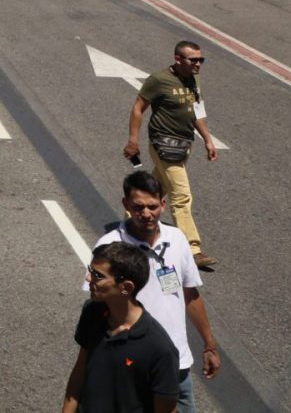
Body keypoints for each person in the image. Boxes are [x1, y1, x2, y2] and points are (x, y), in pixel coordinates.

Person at [92, 171, 220, 412]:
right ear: (125, 204)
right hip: (130, 362)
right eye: (138, 207)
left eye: (152, 206)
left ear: (163, 204)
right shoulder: (110, 247)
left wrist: (209, 344)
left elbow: (190, 296)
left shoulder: (177, 239)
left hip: (175, 361)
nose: (146, 214)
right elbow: (96, 302)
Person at [124, 41, 220, 269]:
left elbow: (197, 111)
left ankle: (131, 216)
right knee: (181, 195)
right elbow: (138, 107)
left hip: (183, 145)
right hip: (163, 144)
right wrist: (133, 140)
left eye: (200, 60)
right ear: (178, 59)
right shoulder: (159, 80)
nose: (198, 64)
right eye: (193, 60)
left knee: (155, 188)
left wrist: (207, 139)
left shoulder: (193, 79)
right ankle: (193, 249)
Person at [62, 242, 181, 413]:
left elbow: (166, 410)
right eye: (91, 270)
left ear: (126, 288)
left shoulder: (160, 349)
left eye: (98, 275)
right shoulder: (92, 311)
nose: (88, 278)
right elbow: (80, 372)